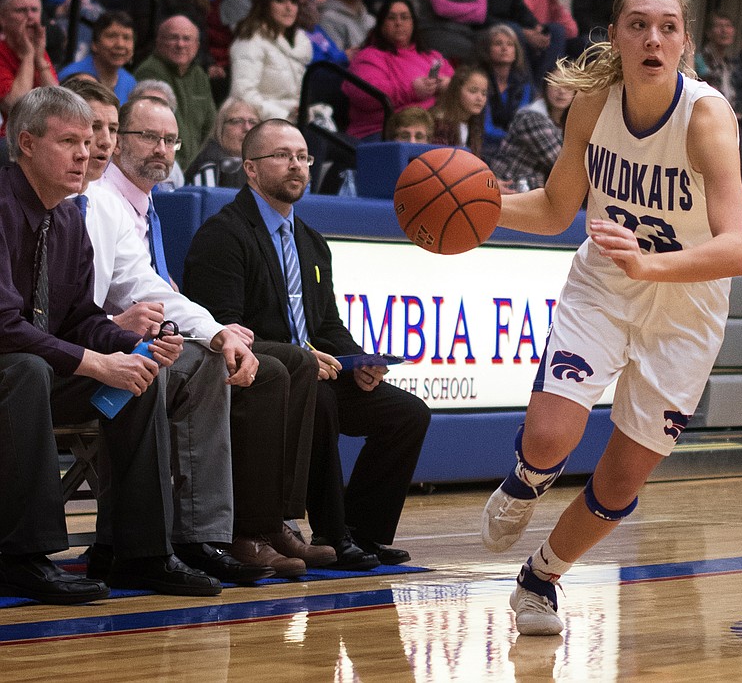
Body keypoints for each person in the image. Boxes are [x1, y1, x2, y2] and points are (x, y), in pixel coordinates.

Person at [479, 0, 742, 635]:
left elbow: (738, 248)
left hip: (686, 308)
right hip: (603, 288)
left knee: (622, 482)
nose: (652, 38)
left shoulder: (707, 115)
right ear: (616, 36)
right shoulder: (594, 104)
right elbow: (554, 208)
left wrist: (649, 262)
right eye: (638, 24)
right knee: (548, 436)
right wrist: (476, 211)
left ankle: (540, 578)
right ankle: (526, 480)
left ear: (684, 43)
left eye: (667, 26)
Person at [61, 78, 283, 584]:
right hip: (57, 357)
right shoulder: (81, 200)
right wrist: (111, 332)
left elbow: (146, 285)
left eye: (107, 129)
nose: (98, 142)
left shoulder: (113, 206)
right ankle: (133, 547)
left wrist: (217, 333)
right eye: (89, 130)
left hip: (97, 346)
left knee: (203, 360)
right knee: (146, 372)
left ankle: (198, 537)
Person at [0, 85, 217, 602]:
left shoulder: (70, 217)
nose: (84, 153)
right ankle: (20, 555)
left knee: (139, 374)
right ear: (26, 143)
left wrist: (132, 343)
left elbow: (79, 317)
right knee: (27, 368)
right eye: (69, 141)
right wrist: (96, 362)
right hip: (13, 370)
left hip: (40, 369)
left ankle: (137, 552)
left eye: (90, 139)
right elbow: (4, 324)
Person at [184, 119, 432, 568]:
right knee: (319, 398)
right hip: (262, 378)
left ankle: (364, 531)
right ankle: (333, 538)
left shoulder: (312, 243)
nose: (295, 165)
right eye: (281, 155)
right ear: (251, 170)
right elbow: (222, 326)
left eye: (302, 156)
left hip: (312, 368)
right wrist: (301, 355)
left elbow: (327, 324)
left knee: (407, 413)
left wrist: (358, 360)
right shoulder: (224, 235)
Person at [343, 0, 453, 141]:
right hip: (383, 132)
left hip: (433, 130)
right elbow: (365, 94)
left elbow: (459, 83)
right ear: (381, 24)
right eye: (391, 17)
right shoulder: (368, 56)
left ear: (413, 23)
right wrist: (411, 90)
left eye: (405, 17)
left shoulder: (432, 55)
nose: (398, 23)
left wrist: (449, 85)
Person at [133, 14, 216, 170]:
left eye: (186, 39)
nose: (180, 44)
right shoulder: (150, 71)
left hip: (192, 167)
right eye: (173, 38)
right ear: (158, 42)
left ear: (197, 45)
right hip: (162, 163)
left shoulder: (199, 75)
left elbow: (210, 124)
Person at [229, 0, 312, 122]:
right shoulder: (250, 40)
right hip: (260, 123)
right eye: (280, 0)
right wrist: (283, 116)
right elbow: (242, 93)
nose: (289, 7)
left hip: (293, 122)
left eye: (293, 2)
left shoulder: (299, 43)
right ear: (265, 5)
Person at [491, 70, 573, 193]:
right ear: (545, 87)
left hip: (530, 189)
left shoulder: (566, 120)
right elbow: (563, 164)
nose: (562, 91)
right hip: (507, 187)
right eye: (556, 83)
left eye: (568, 85)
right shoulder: (531, 118)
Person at [0, 0, 57, 120]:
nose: (30, 16)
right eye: (21, 10)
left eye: (34, 10)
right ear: (2, 18)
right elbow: (15, 106)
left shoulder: (38, 50)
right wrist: (28, 57)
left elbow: (57, 104)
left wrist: (39, 59)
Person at [478, 23, 533, 161]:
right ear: (487, 49)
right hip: (485, 146)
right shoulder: (479, 80)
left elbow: (521, 122)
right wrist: (514, 139)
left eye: (510, 44)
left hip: (516, 148)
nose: (504, 48)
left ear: (516, 51)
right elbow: (486, 129)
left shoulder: (524, 84)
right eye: (498, 43)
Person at [58, 10, 137, 103]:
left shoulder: (130, 83)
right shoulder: (72, 77)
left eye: (126, 38)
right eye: (111, 36)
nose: (120, 44)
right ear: (94, 44)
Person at [185, 96, 260, 187]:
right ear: (220, 128)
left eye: (253, 122)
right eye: (237, 121)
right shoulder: (210, 166)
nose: (247, 128)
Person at [431, 63, 488, 156]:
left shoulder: (474, 125)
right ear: (457, 91)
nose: (480, 98)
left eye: (484, 93)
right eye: (473, 91)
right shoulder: (440, 123)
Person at [693, 11, 735, 106]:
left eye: (728, 26)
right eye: (719, 26)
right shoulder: (699, 60)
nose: (724, 31)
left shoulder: (729, 64)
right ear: (708, 32)